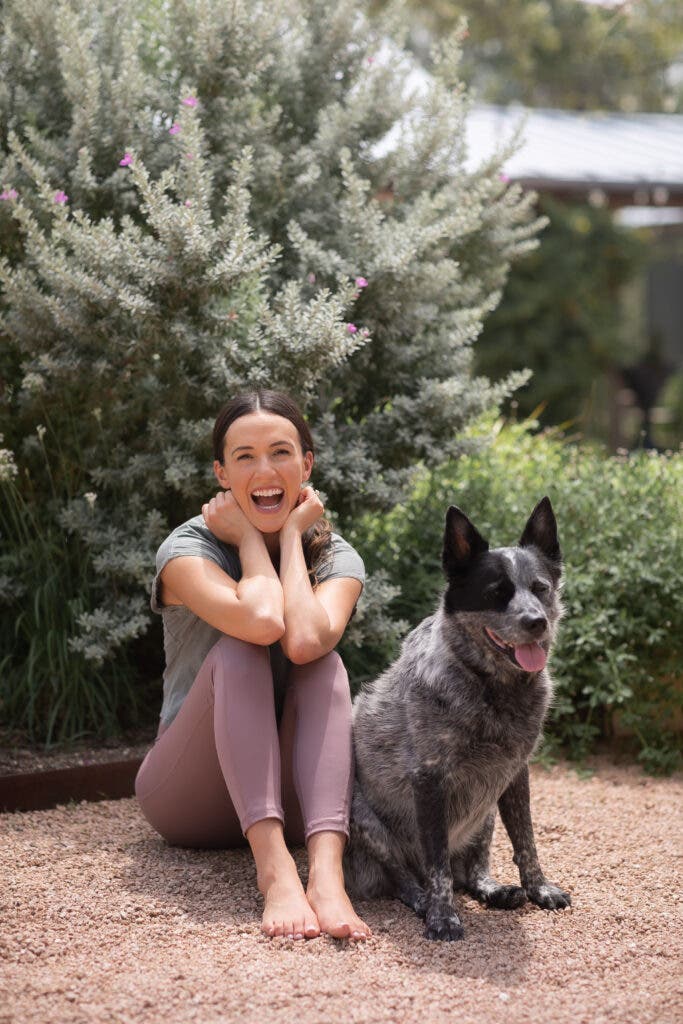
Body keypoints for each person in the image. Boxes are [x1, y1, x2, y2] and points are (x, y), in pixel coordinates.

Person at [135, 389, 372, 943]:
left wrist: (289, 537)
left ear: (306, 465)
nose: (264, 471)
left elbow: (305, 641)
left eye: (280, 453)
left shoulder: (335, 556)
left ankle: (327, 877)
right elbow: (262, 622)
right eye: (244, 457)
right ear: (222, 473)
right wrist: (247, 539)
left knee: (323, 663)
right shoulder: (186, 550)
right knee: (241, 649)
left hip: (294, 799)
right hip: (188, 797)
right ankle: (275, 872)